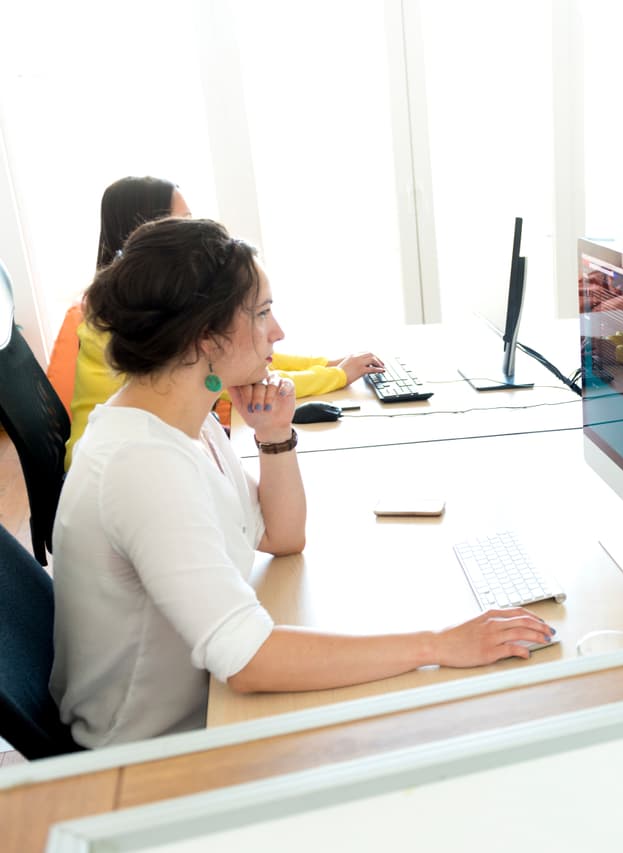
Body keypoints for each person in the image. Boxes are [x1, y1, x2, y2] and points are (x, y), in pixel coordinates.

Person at [50, 218, 553, 748]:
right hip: (146, 758)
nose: (278, 332)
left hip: (204, 712)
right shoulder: (142, 464)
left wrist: (273, 435)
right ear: (205, 336)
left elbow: (281, 536)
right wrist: (438, 645)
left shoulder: (185, 419)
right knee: (441, 729)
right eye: (262, 313)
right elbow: (247, 659)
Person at [64, 175, 386, 469]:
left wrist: (327, 363)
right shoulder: (133, 320)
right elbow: (238, 370)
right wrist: (335, 375)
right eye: (184, 221)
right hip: (118, 468)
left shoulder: (141, 306)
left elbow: (245, 345)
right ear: (156, 235)